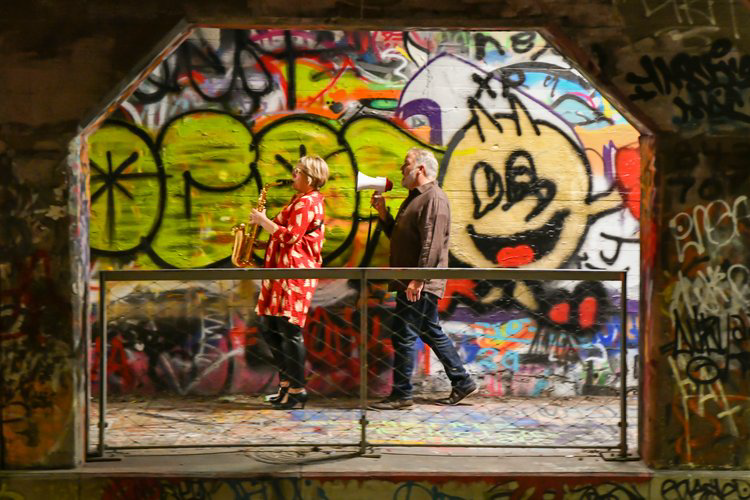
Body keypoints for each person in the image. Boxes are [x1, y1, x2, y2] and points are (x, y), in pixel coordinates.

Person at [369, 148, 477, 410]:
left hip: (419, 282)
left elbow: (433, 244)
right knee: (429, 329)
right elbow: (400, 238)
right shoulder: (415, 199)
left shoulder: (434, 199)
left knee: (403, 334)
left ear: (420, 169)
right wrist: (383, 214)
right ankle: (462, 381)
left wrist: (419, 279)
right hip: (413, 280)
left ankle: (402, 395)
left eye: (405, 164)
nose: (401, 169)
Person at [249, 155, 329, 410]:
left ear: (310, 177)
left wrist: (263, 222)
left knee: (289, 331)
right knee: (270, 326)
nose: (293, 174)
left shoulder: (307, 202)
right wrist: (261, 243)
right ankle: (285, 385)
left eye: (298, 171)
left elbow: (292, 237)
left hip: (295, 274)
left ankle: (297, 391)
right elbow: (290, 237)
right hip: (281, 272)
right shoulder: (299, 200)